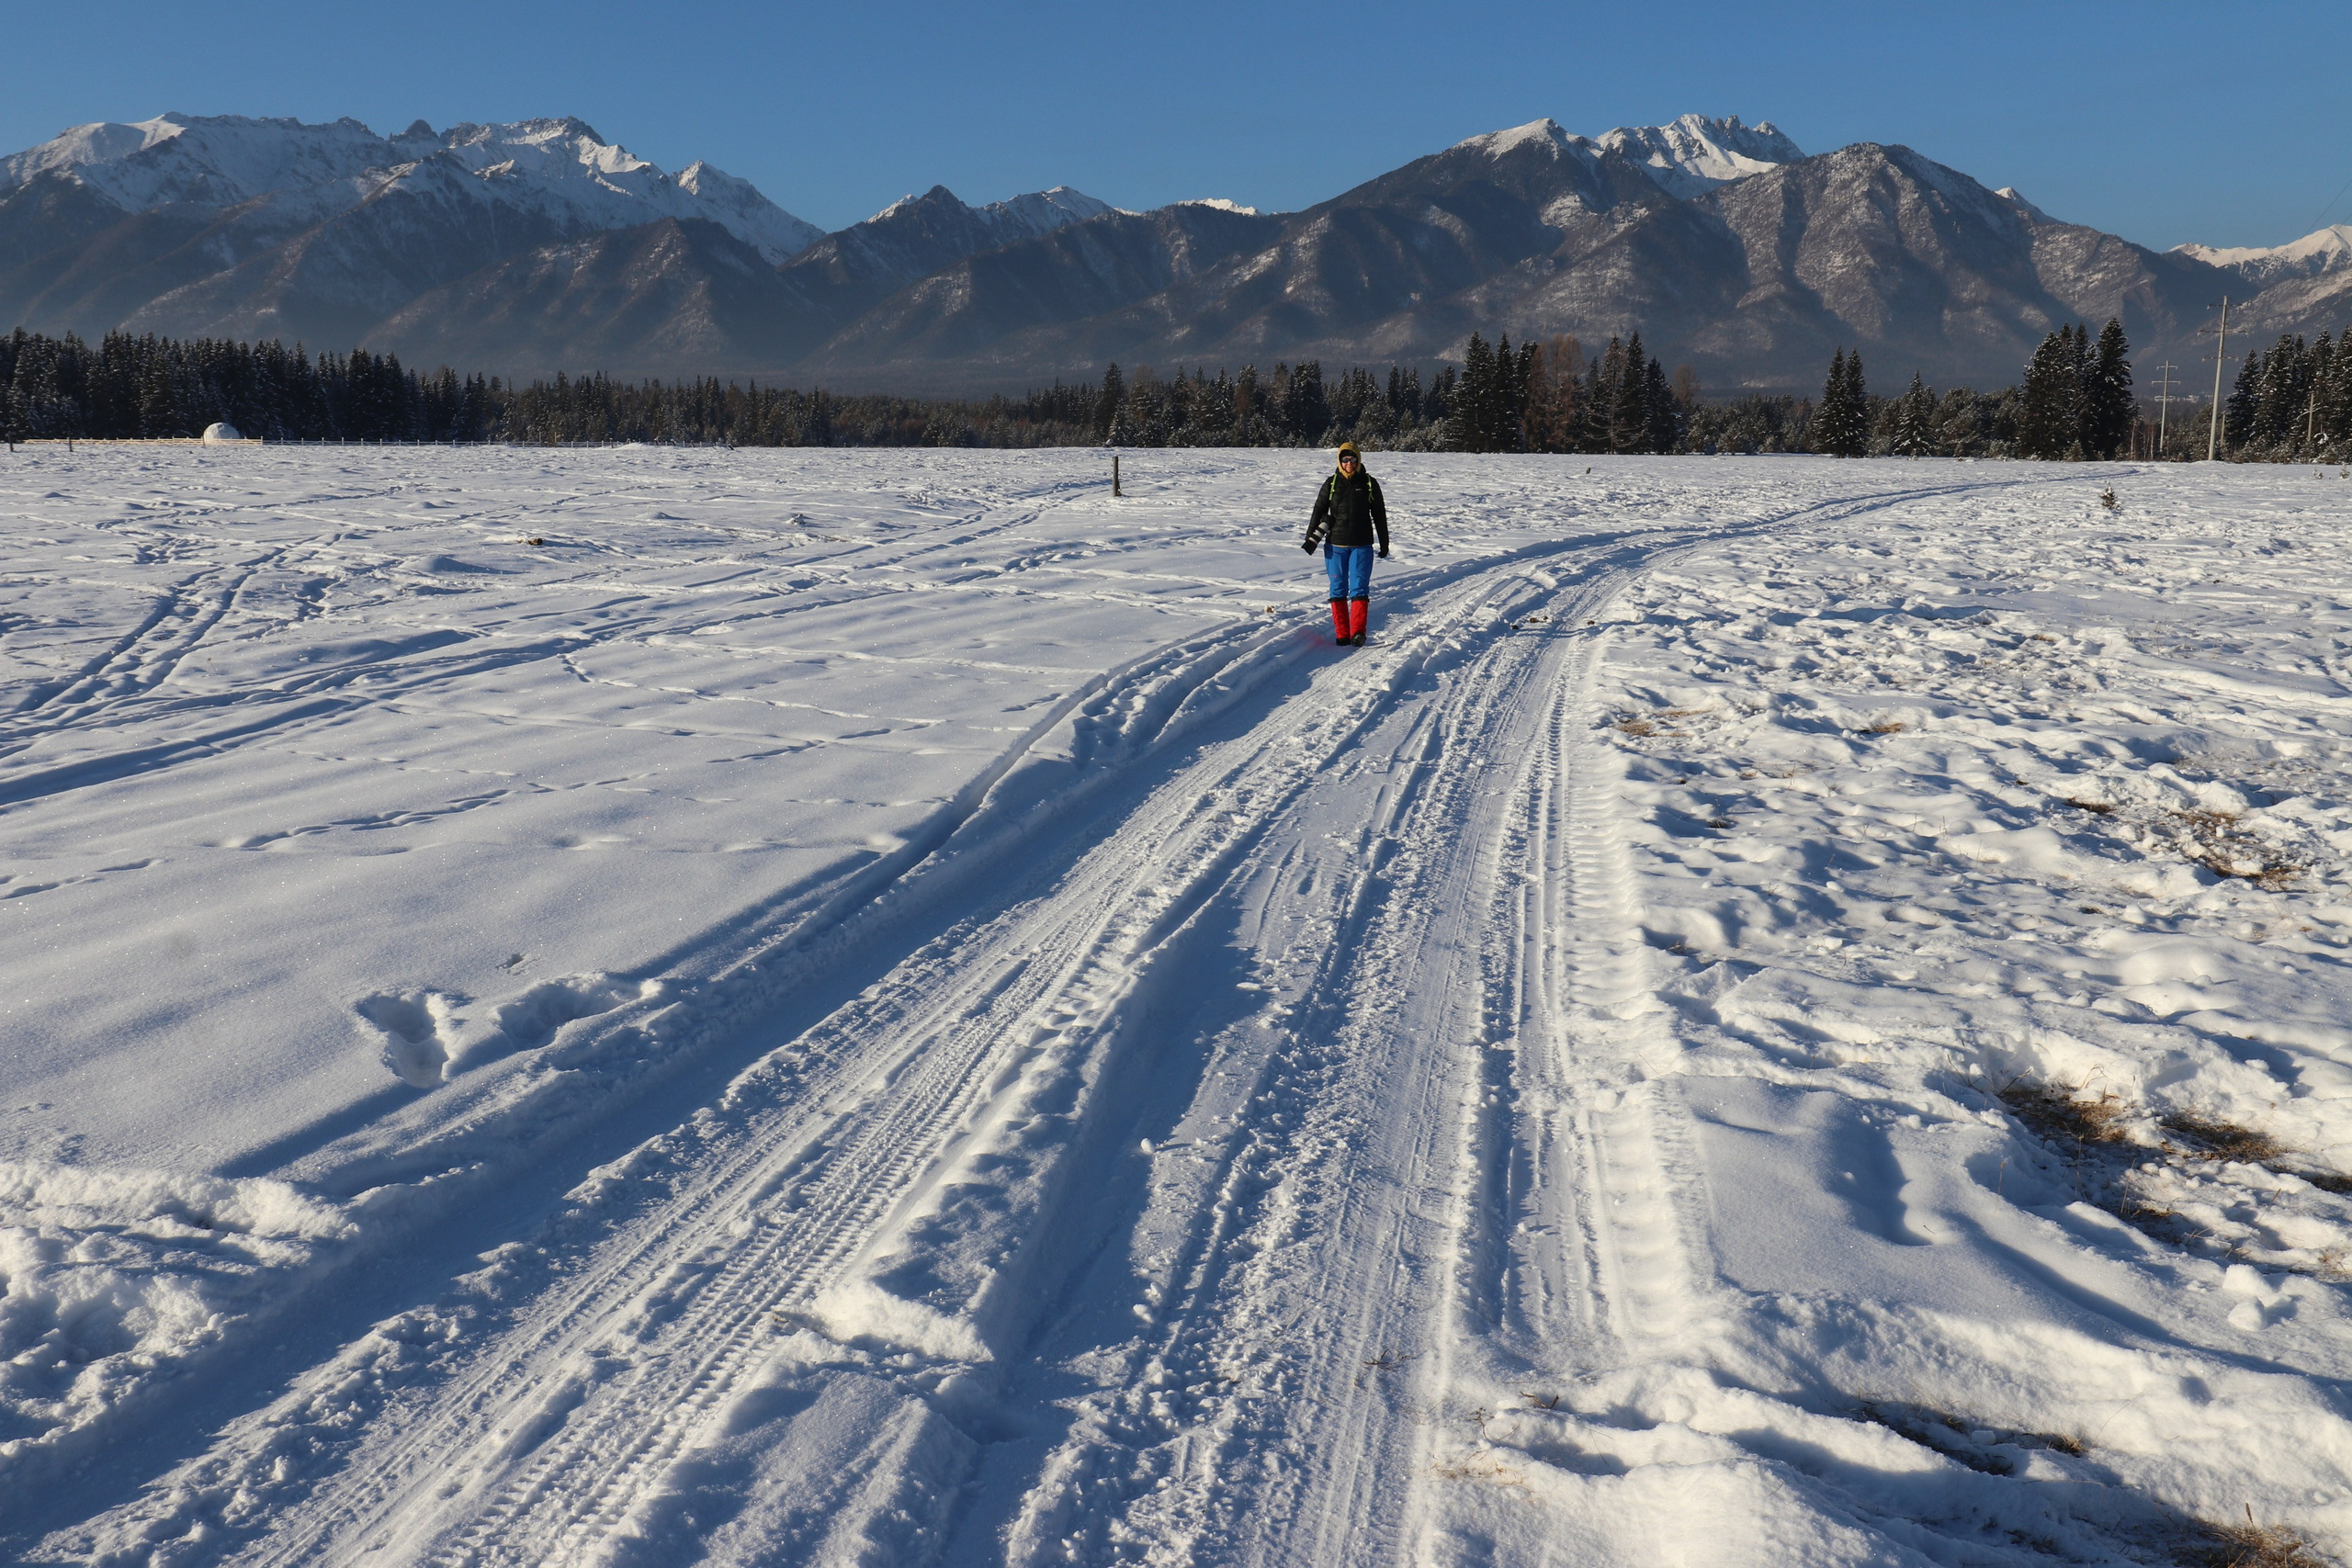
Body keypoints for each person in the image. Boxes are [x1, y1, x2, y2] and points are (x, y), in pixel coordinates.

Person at [1300, 441, 1389, 647]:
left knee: (1359, 588)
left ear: (1359, 460)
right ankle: (1342, 634)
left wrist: (1384, 542)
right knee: (1337, 588)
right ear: (1340, 461)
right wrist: (1310, 539)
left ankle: (1357, 632)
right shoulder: (1331, 483)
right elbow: (1318, 510)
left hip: (1361, 545)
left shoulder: (1369, 483)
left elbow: (1379, 515)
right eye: (1345, 459)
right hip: (1335, 546)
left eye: (1353, 459)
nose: (1349, 463)